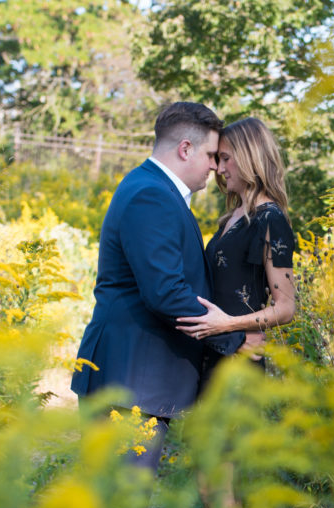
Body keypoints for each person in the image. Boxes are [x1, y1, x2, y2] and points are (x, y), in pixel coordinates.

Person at [71, 102, 246, 471]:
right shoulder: (152, 195)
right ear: (186, 149)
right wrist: (235, 337)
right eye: (212, 155)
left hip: (134, 379)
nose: (216, 166)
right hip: (132, 382)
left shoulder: (149, 188)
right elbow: (165, 292)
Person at [176, 116, 296, 374]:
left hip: (239, 364)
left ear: (249, 157)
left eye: (226, 158)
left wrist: (228, 326)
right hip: (213, 353)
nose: (219, 169)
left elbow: (286, 308)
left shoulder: (270, 219)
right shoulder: (232, 217)